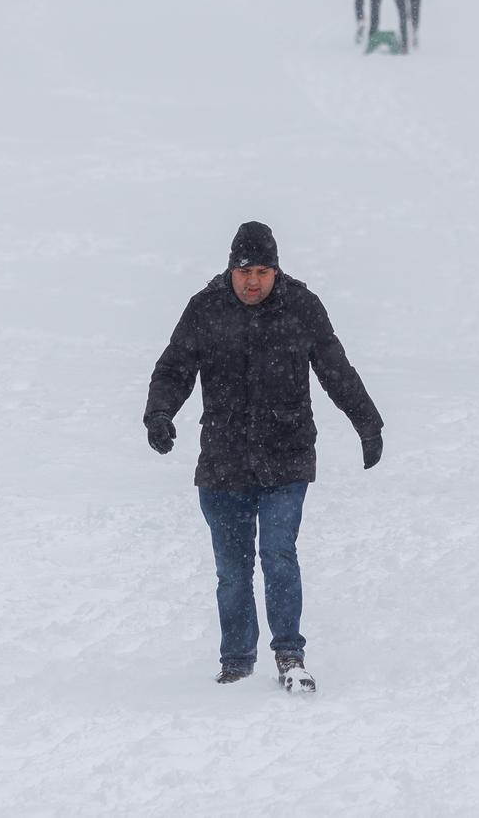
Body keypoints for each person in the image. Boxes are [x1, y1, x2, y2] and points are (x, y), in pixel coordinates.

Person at [144, 222, 383, 691]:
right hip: (223, 462)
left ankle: (290, 656)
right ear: (230, 268)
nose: (253, 281)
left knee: (277, 554)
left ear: (276, 270)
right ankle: (236, 663)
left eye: (263, 271)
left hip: (286, 458)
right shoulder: (205, 309)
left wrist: (367, 421)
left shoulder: (301, 307)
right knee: (232, 571)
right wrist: (158, 413)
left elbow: (335, 367)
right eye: (244, 270)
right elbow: (174, 367)